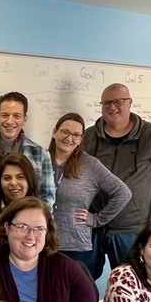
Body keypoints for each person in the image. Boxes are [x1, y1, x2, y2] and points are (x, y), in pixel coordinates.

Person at [82, 83, 151, 279]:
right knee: (83, 283)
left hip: (132, 231)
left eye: (118, 102)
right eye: (106, 103)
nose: (112, 107)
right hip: (91, 228)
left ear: (130, 103)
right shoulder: (89, 136)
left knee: (133, 284)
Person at [47, 112, 131, 269]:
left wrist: (96, 220)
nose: (69, 138)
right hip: (41, 243)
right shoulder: (40, 160)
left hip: (75, 247)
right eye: (65, 131)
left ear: (80, 140)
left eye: (76, 135)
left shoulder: (90, 165)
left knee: (77, 293)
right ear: (54, 132)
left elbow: (123, 193)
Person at [0, 92, 55, 207]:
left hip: (26, 223)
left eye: (16, 116)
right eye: (4, 115)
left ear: (24, 119)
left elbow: (47, 199)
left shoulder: (41, 154)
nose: (9, 121)